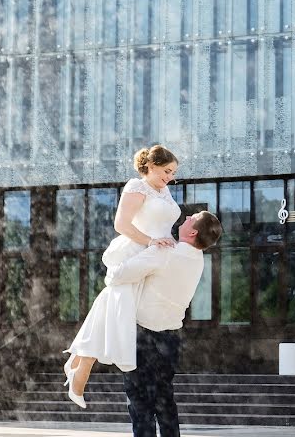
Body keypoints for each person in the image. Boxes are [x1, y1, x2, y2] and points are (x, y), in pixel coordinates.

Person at [63, 145, 181, 408]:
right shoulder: (136, 187)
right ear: (150, 166)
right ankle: (78, 368)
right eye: (166, 171)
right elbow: (121, 224)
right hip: (136, 252)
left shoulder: (164, 189)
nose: (170, 177)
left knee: (111, 310)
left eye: (173, 173)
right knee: (115, 313)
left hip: (151, 257)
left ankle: (78, 365)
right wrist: (151, 241)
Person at [112, 209, 223, 437]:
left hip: (144, 338)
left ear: (192, 232)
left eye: (191, 218)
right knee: (165, 403)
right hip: (170, 340)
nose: (186, 218)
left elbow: (118, 275)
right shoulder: (197, 260)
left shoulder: (165, 253)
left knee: (141, 404)